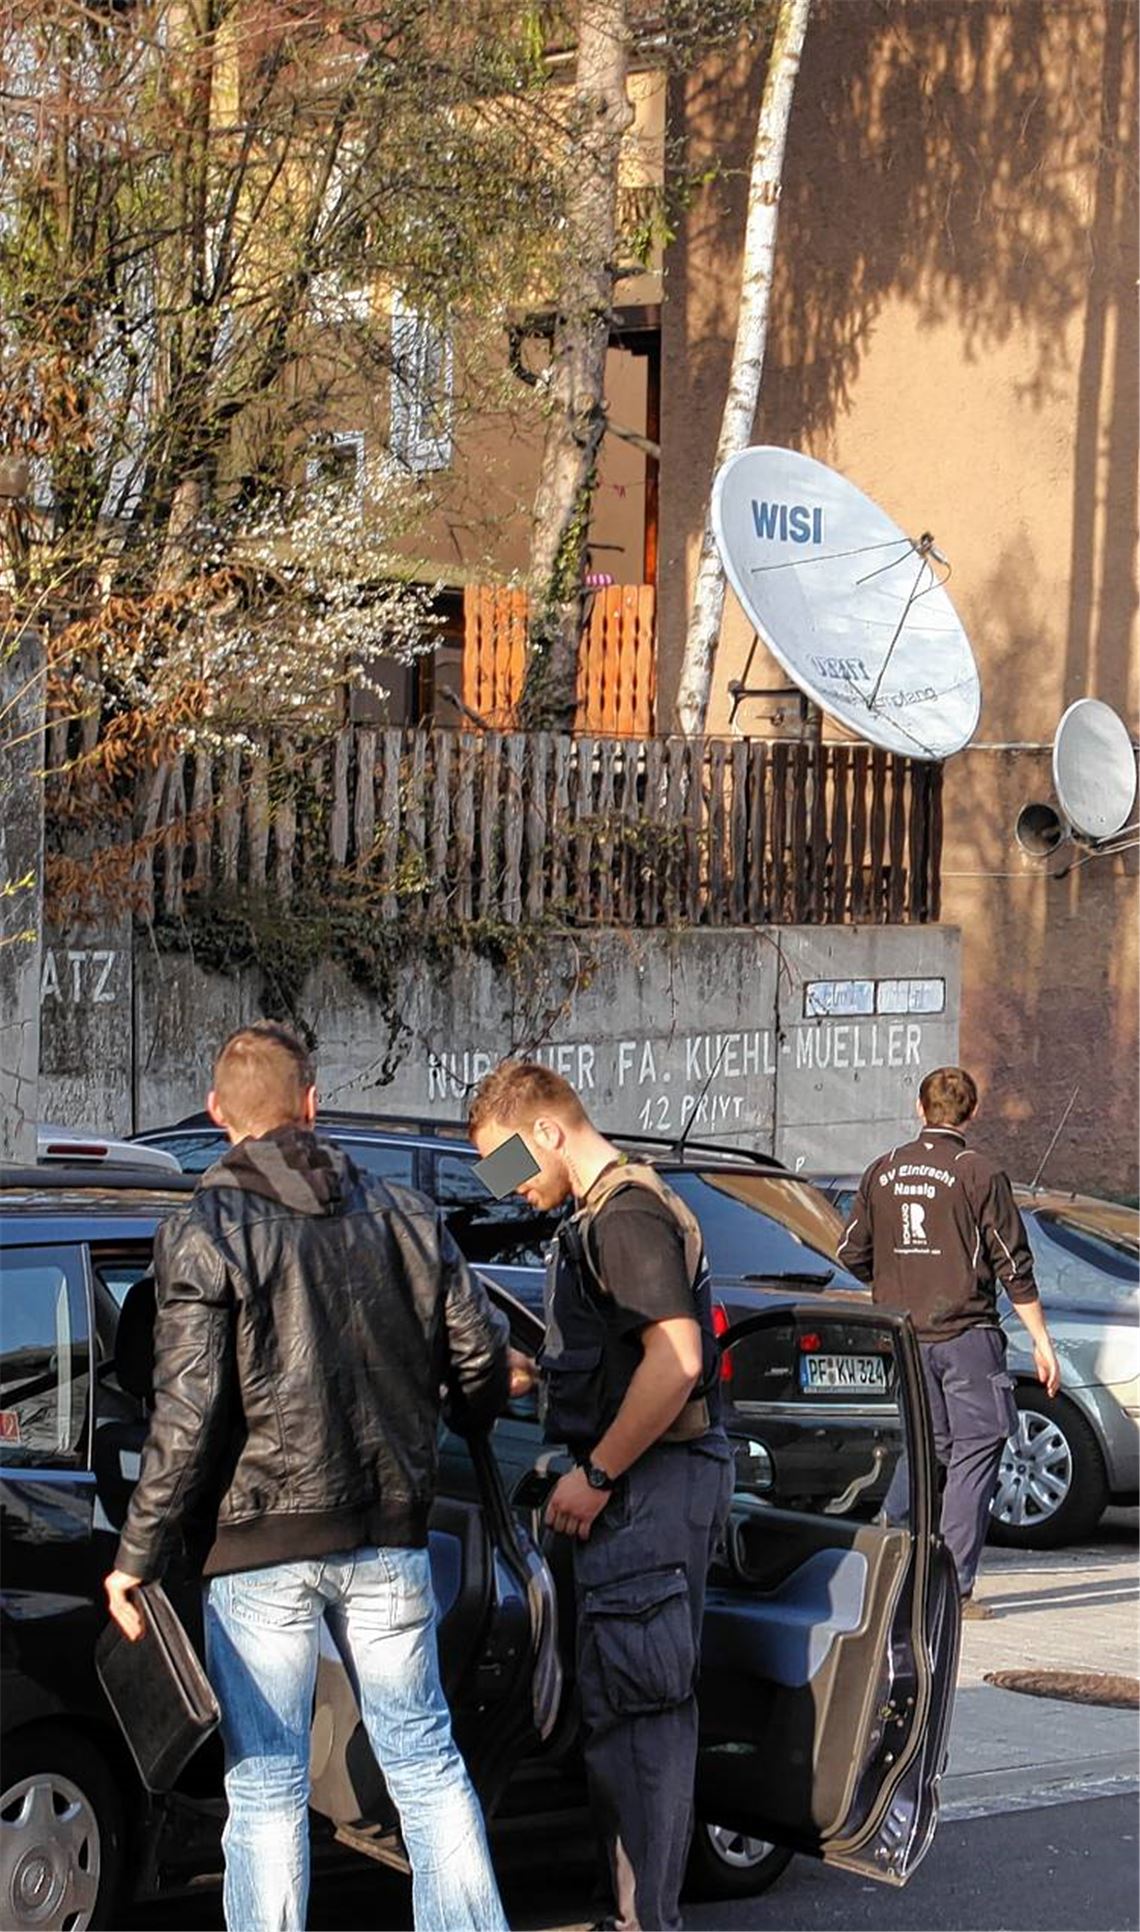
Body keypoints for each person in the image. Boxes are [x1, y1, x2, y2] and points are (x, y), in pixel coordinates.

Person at [104, 1021, 510, 1932]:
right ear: (313, 1105)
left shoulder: (203, 1229)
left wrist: (137, 1556)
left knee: (266, 1786)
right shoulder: (408, 1215)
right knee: (426, 1761)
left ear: (217, 1112)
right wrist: (463, 1419)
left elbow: (187, 1411)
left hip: (256, 1546)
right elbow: (482, 1357)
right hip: (388, 1532)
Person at [468, 1060, 733, 1932]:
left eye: (509, 1162)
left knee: (641, 1725)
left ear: (547, 1131)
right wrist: (536, 1374)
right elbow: (623, 1360)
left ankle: (643, 1921)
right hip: (636, 1493)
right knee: (616, 1718)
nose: (508, 1186)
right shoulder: (596, 1215)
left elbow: (678, 1361)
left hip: (645, 1494)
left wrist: (599, 1473)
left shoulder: (625, 1215)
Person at [838, 1065, 1061, 1619]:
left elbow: (851, 1252)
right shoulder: (977, 1172)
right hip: (966, 1335)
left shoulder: (882, 1170)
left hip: (903, 1335)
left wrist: (896, 1281)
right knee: (979, 1443)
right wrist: (1041, 1341)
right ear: (973, 1112)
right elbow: (1013, 1264)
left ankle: (888, 1565)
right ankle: (951, 1588)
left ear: (920, 1108)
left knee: (925, 1448)